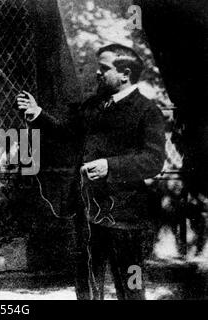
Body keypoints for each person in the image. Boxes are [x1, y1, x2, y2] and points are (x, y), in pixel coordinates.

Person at [17, 43, 166, 300]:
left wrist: (110, 166)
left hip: (124, 214)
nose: (98, 73)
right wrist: (39, 114)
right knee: (86, 281)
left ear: (125, 73)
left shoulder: (146, 110)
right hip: (87, 209)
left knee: (130, 282)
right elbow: (69, 133)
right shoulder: (93, 105)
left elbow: (154, 160)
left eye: (104, 68)